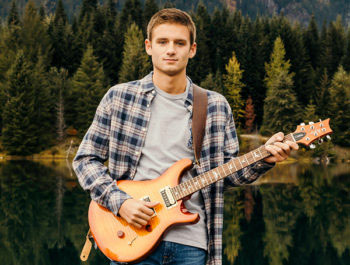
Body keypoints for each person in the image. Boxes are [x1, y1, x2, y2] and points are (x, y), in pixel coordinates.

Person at [73, 8, 299, 265]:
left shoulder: (214, 105)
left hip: (191, 245)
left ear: (192, 49)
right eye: (163, 42)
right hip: (132, 239)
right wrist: (121, 203)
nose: (171, 50)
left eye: (179, 43)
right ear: (149, 47)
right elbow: (85, 161)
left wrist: (265, 158)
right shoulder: (120, 98)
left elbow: (227, 174)